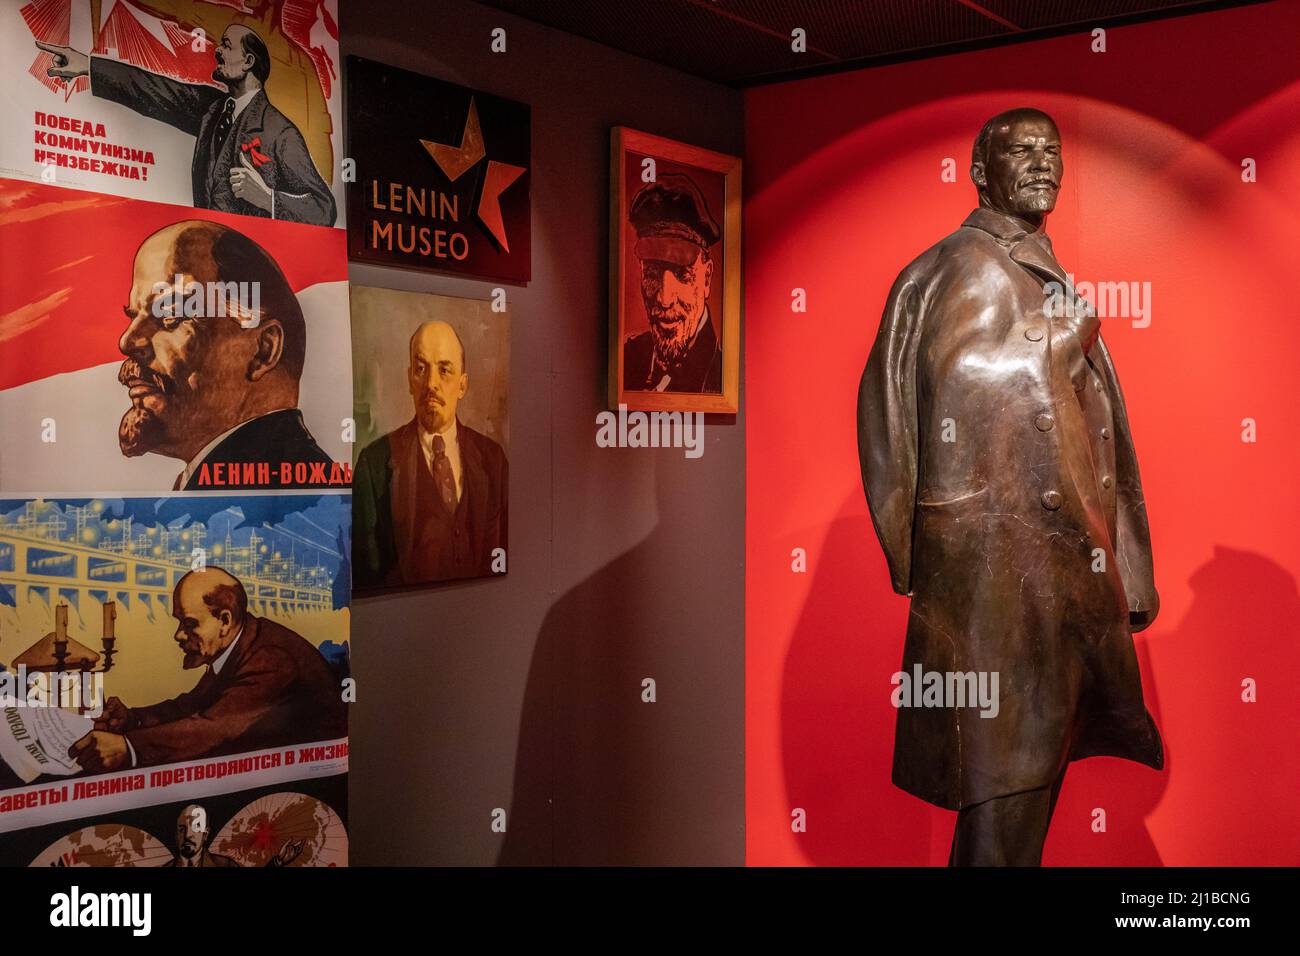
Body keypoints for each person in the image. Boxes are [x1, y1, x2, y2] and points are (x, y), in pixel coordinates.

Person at [857, 108, 1163, 866]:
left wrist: (1125, 563)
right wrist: (1052, 344)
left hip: (1054, 576)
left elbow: (1105, 439)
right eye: (1020, 150)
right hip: (995, 585)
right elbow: (953, 386)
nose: (1042, 163)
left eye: (1052, 151)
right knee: (1004, 790)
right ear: (979, 170)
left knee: (1025, 785)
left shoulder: (1036, 266)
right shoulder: (957, 268)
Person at [37, 25, 336, 225]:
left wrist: (268, 199)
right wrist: (88, 66)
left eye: (226, 46)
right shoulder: (212, 108)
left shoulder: (279, 132)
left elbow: (324, 209)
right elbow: (151, 89)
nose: (217, 51)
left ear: (247, 61)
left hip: (249, 276)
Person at [117, 219, 333, 490]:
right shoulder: (214, 484)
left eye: (170, 313)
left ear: (263, 350)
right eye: (134, 316)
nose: (127, 341)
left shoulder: (293, 497)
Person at [68, 568, 346, 771]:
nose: (178, 635)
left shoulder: (270, 658)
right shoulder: (243, 642)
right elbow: (194, 704)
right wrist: (134, 718)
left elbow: (214, 726)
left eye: (189, 624)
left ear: (224, 621)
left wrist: (128, 749)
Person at [353, 321, 508, 588]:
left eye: (444, 370)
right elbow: (368, 578)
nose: (431, 384)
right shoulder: (374, 465)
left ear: (462, 385)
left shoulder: (493, 460)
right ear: (410, 379)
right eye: (421, 369)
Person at [622, 173, 722, 393]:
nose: (664, 299)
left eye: (681, 274)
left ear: (706, 279)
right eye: (652, 272)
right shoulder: (629, 357)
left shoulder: (718, 374)